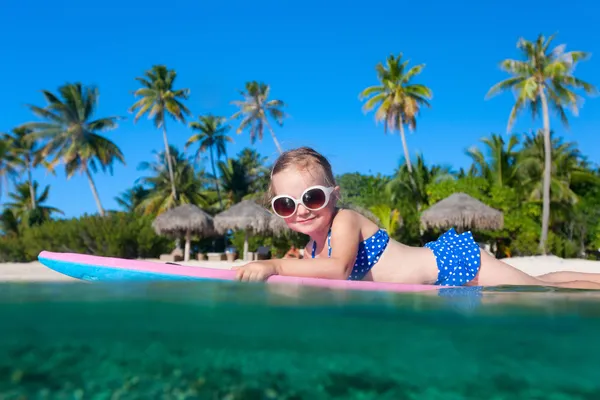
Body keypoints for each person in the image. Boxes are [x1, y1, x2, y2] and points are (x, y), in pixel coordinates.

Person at [232, 147, 600, 289]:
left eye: (311, 197)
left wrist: (274, 265)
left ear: (334, 195)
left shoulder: (345, 221)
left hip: (455, 263)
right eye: (285, 204)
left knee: (538, 291)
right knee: (540, 279)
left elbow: (339, 269)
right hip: (445, 279)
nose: (301, 210)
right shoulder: (313, 251)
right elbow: (319, 275)